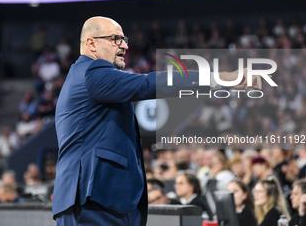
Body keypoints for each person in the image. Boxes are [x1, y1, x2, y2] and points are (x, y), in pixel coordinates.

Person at [52, 16, 263, 226]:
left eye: (124, 39)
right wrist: (222, 78)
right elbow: (150, 83)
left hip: (102, 200)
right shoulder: (92, 72)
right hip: (93, 200)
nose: (124, 45)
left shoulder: (87, 78)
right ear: (91, 43)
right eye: (116, 39)